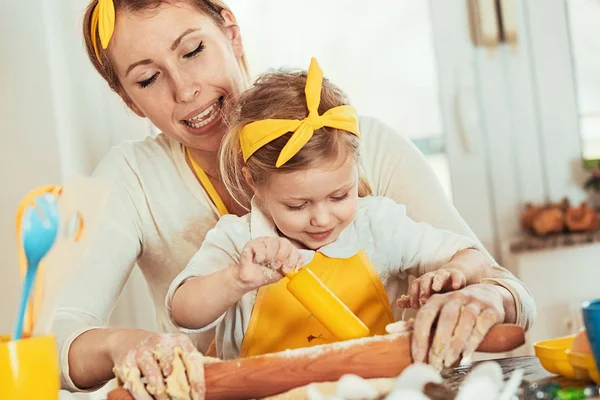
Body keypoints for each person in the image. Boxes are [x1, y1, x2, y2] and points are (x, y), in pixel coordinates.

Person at [54, 0, 535, 396]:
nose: (186, 90)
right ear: (127, 99)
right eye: (147, 79)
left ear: (231, 32)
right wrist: (126, 343)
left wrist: (481, 295)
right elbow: (48, 335)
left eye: (194, 50)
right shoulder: (122, 176)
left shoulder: (361, 141)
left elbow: (502, 284)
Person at [167, 58, 497, 363]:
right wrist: (237, 279)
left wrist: (452, 274)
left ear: (355, 170)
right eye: (297, 205)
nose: (322, 219)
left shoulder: (377, 225)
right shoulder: (238, 242)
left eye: (339, 196)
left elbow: (475, 258)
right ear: (254, 181)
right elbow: (183, 311)